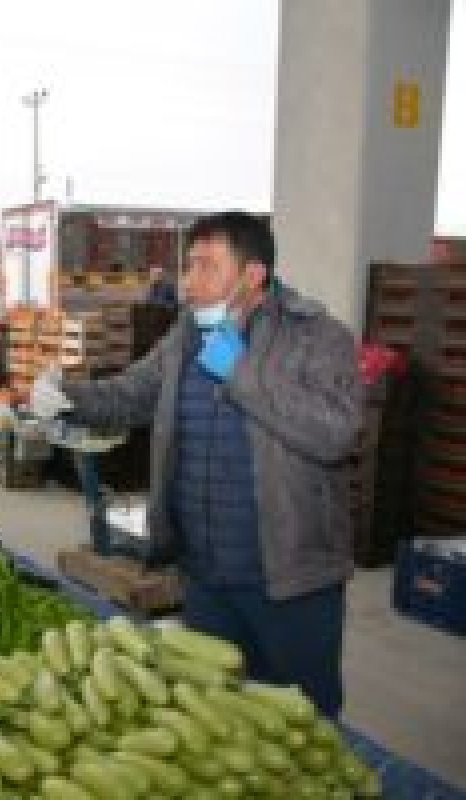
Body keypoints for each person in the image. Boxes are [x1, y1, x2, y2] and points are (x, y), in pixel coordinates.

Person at [32, 212, 360, 716]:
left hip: (288, 580)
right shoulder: (186, 335)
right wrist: (67, 398)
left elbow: (335, 433)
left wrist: (240, 372)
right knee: (215, 715)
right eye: (188, 267)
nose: (188, 283)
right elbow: (132, 393)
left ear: (253, 275)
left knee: (303, 722)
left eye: (207, 267)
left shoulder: (315, 336)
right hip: (204, 577)